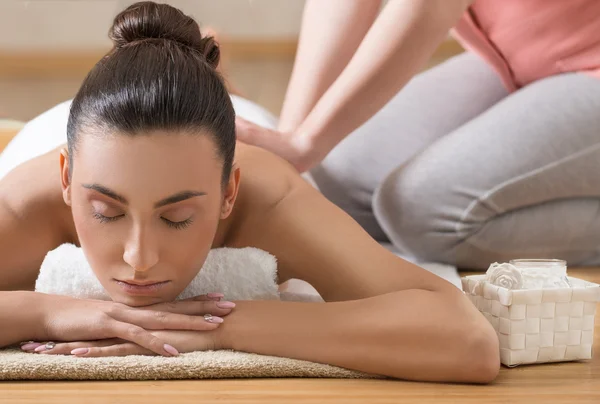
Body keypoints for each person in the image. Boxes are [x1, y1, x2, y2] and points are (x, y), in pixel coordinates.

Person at [0, 2, 499, 383]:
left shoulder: (270, 195)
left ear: (228, 193)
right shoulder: (30, 200)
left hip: (245, 131)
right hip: (67, 123)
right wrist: (47, 311)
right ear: (67, 181)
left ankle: (219, 80)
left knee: (254, 132)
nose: (140, 257)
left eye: (177, 217)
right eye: (106, 211)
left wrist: (221, 328)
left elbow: (467, 338)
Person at [236, 0, 600, 270]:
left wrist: (306, 143)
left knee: (426, 214)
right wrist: (292, 140)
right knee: (338, 183)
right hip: (527, 53)